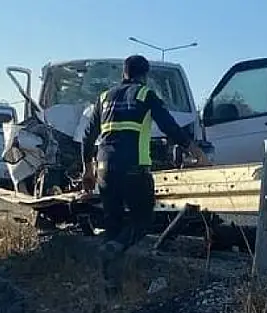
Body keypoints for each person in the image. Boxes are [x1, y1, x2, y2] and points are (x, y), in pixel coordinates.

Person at [81, 54, 209, 258]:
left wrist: (88, 170)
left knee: (113, 223)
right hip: (134, 169)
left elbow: (88, 137)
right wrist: (197, 153)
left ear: (124, 73)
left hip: (105, 170)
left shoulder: (104, 98)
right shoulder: (145, 94)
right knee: (142, 221)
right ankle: (115, 248)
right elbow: (170, 128)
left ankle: (110, 277)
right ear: (145, 76)